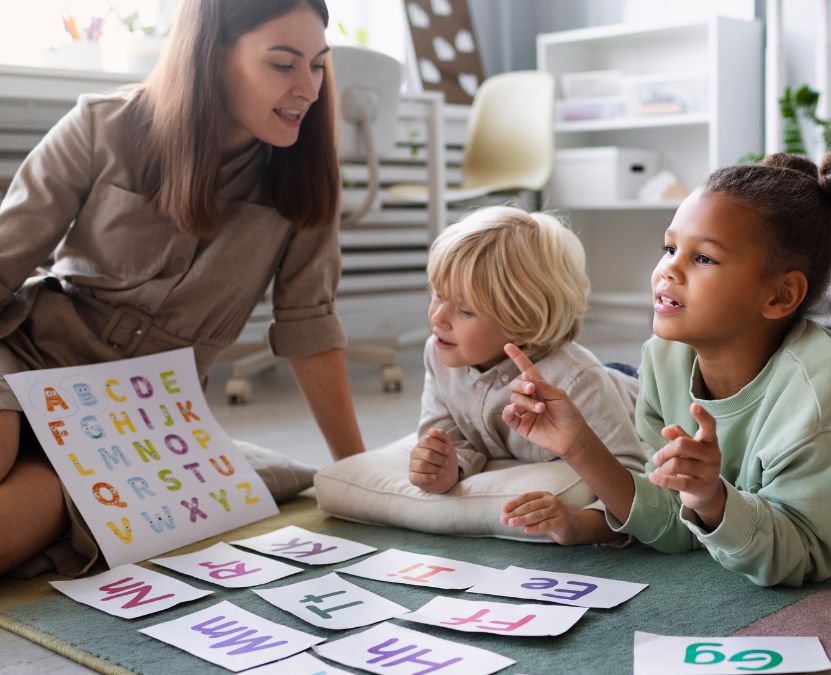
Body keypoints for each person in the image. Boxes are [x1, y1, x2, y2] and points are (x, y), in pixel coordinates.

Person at [0, 0, 365, 576]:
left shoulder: (303, 182)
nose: (309, 88)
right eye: (282, 64)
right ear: (211, 57)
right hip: (27, 358)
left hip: (140, 422)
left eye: (318, 66)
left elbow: (308, 326)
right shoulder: (103, 124)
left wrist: (360, 475)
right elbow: (4, 259)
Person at [500, 151, 831, 586]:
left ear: (780, 296)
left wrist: (712, 498)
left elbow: (798, 556)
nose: (668, 270)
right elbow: (672, 520)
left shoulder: (824, 400)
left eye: (702, 257)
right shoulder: (663, 356)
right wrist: (579, 444)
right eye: (669, 249)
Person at [408, 205, 646, 545]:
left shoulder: (578, 381)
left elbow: (631, 481)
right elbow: (448, 434)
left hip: (632, 391)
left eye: (464, 310)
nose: (438, 318)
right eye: (437, 295)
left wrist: (578, 525)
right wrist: (446, 467)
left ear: (523, 323)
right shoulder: (439, 352)